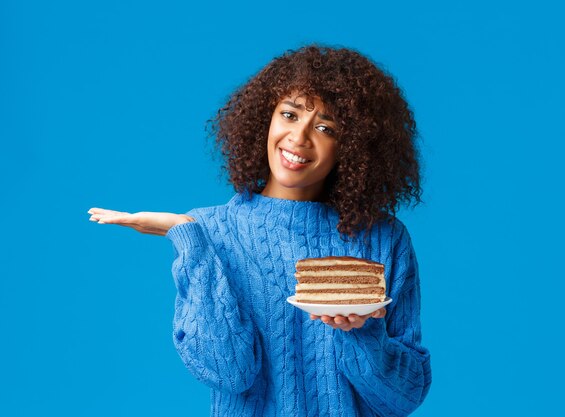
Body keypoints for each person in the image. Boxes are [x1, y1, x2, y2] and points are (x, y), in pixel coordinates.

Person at [88, 44, 432, 417]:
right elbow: (228, 372)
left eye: (325, 127)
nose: (299, 137)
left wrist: (364, 334)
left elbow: (403, 397)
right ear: (264, 118)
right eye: (289, 114)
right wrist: (190, 238)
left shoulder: (384, 238)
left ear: (351, 147)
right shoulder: (210, 234)